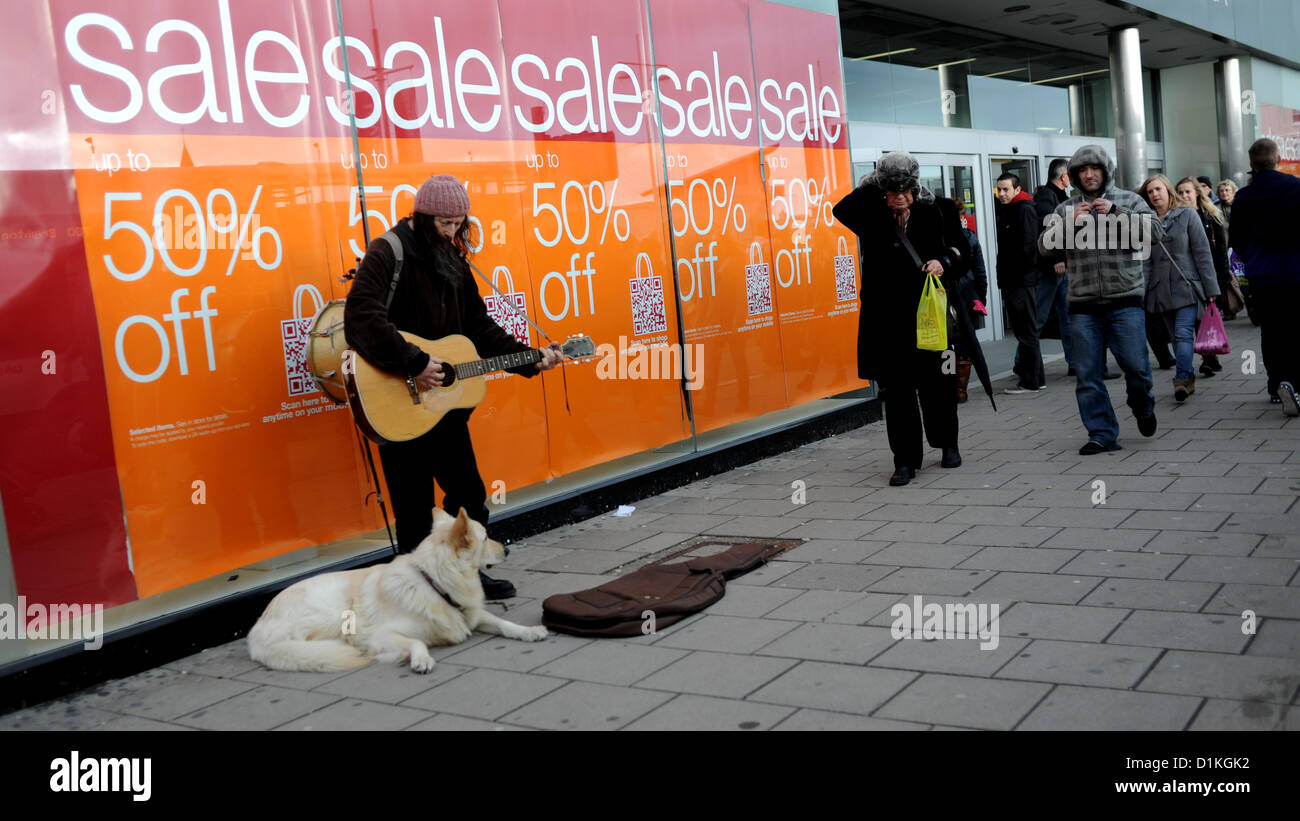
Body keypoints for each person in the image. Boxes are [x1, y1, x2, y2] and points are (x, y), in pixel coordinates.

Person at [345, 173, 563, 598]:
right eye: (444, 223)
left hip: (443, 410)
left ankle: (467, 575)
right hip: (397, 398)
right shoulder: (388, 251)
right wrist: (416, 361)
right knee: (413, 509)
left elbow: (478, 325)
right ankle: (418, 594)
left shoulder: (454, 259)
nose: (451, 231)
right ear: (422, 216)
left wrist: (531, 358)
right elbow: (361, 318)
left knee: (468, 495)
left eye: (458, 223)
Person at [833, 152, 992, 486]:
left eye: (905, 190)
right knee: (898, 391)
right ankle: (904, 461)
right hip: (888, 319)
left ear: (915, 186)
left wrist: (943, 262)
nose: (900, 197)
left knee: (940, 384)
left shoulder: (940, 208)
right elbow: (840, 210)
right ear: (883, 189)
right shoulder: (871, 211)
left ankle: (948, 444)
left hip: (931, 314)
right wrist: (875, 182)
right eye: (892, 190)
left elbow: (962, 253)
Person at [1037, 145, 1163, 454]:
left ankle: (1142, 405)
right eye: (1082, 170)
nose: (1089, 174)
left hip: (1126, 301)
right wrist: (1069, 223)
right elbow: (1043, 247)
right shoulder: (1066, 208)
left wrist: (1117, 213)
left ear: (1105, 171)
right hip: (1082, 306)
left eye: (1094, 169)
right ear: (1075, 176)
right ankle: (1102, 433)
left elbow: (1156, 233)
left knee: (1136, 367)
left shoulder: (1130, 200)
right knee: (1088, 374)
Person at [1230, 138, 1300, 415]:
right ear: (1278, 158)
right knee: (1295, 328)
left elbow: (1235, 239)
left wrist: (1252, 258)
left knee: (1271, 330)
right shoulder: (1295, 188)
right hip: (1294, 272)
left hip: (1262, 275)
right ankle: (1293, 382)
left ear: (1252, 163)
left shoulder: (1244, 196)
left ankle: (1274, 386)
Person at [1139, 175, 1220, 402]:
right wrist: (1143, 293)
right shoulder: (1146, 222)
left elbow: (1202, 253)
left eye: (1158, 189)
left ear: (1167, 189)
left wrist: (1211, 288)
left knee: (1183, 333)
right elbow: (1145, 262)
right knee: (1175, 337)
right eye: (1150, 192)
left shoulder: (1187, 215)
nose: (1154, 194)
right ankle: (1189, 375)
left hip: (1187, 285)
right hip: (1160, 289)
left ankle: (1182, 377)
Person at [995, 172, 1044, 394]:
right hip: (1016, 280)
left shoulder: (1024, 208)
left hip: (1020, 281)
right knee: (1025, 330)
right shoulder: (1012, 208)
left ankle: (1030, 381)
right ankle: (1035, 378)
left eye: (1006, 189)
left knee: (1026, 331)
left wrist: (1016, 276)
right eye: (999, 189)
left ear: (1017, 189)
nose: (1001, 194)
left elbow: (1028, 246)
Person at [1034, 158, 1076, 375]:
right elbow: (1048, 229)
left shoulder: (1060, 197)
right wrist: (1056, 259)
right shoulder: (1046, 196)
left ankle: (1075, 363)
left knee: (1068, 317)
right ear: (1063, 176)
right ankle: (1024, 363)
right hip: (1052, 269)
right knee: (1039, 318)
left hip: (1062, 268)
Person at [953, 200, 988, 403]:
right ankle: (961, 389)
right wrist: (980, 298)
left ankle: (952, 386)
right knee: (965, 341)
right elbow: (980, 272)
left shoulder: (940, 239)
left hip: (950, 299)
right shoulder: (969, 237)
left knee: (949, 342)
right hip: (969, 297)